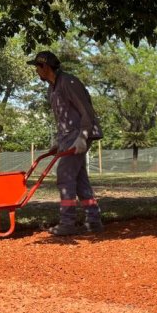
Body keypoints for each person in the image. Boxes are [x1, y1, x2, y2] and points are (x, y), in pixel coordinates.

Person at [29, 51, 105, 236]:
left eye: (37, 68)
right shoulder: (52, 88)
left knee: (64, 175)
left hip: (79, 134)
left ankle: (67, 222)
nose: (36, 72)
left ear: (45, 66)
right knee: (79, 181)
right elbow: (62, 119)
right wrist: (58, 143)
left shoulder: (69, 82)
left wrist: (83, 136)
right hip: (67, 137)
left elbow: (86, 110)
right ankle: (94, 221)